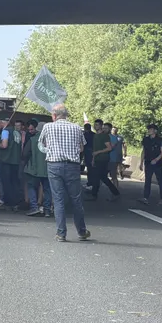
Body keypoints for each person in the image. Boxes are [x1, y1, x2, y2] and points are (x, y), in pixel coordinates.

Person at [39, 104, 91, 242]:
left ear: (54, 115)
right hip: (72, 166)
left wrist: (52, 150)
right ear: (66, 115)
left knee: (58, 199)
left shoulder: (47, 127)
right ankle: (81, 231)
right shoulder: (76, 128)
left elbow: (42, 145)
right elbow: (81, 148)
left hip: (54, 165)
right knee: (76, 199)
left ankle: (61, 233)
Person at [21, 120, 52, 218]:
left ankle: (34, 207)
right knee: (47, 189)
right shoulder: (52, 140)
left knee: (31, 187)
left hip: (33, 168)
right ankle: (47, 210)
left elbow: (25, 154)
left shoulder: (33, 139)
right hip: (48, 168)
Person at [0, 115, 22, 210]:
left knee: (6, 182)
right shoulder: (17, 132)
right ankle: (16, 201)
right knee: (15, 182)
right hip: (16, 161)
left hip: (6, 160)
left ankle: (9, 202)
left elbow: (4, 145)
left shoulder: (5, 131)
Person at [138, 124, 162, 206]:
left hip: (158, 163)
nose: (149, 130)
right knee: (147, 180)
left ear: (155, 131)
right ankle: (145, 197)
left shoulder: (160, 140)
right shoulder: (145, 139)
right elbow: (143, 151)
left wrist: (156, 159)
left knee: (160, 180)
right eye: (149, 129)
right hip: (147, 162)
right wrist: (141, 162)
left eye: (151, 129)